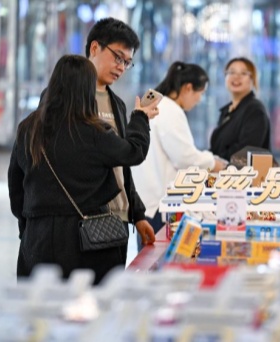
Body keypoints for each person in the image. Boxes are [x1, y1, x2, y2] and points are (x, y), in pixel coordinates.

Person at [8, 55, 159, 284]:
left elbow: (16, 188)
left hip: (37, 238)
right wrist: (140, 118)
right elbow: (133, 152)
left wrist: (28, 229)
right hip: (86, 243)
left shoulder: (28, 128)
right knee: (87, 311)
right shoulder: (93, 131)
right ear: (87, 89)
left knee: (41, 311)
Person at [132, 61, 227, 250]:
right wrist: (214, 163)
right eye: (200, 94)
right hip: (160, 205)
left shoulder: (156, 105)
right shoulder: (170, 110)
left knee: (148, 262)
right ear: (188, 88)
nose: (199, 100)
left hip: (146, 201)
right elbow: (185, 157)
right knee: (160, 263)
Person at [85, 18, 156, 253]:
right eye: (118, 57)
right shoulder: (68, 98)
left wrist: (137, 213)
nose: (121, 67)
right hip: (84, 220)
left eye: (127, 62)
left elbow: (122, 165)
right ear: (95, 48)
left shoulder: (117, 103)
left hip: (118, 221)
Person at [210, 57, 270, 162]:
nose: (236, 77)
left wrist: (216, 161)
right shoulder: (226, 111)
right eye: (231, 72)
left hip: (246, 176)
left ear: (252, 79)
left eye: (243, 73)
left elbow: (246, 153)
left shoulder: (255, 110)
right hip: (223, 175)